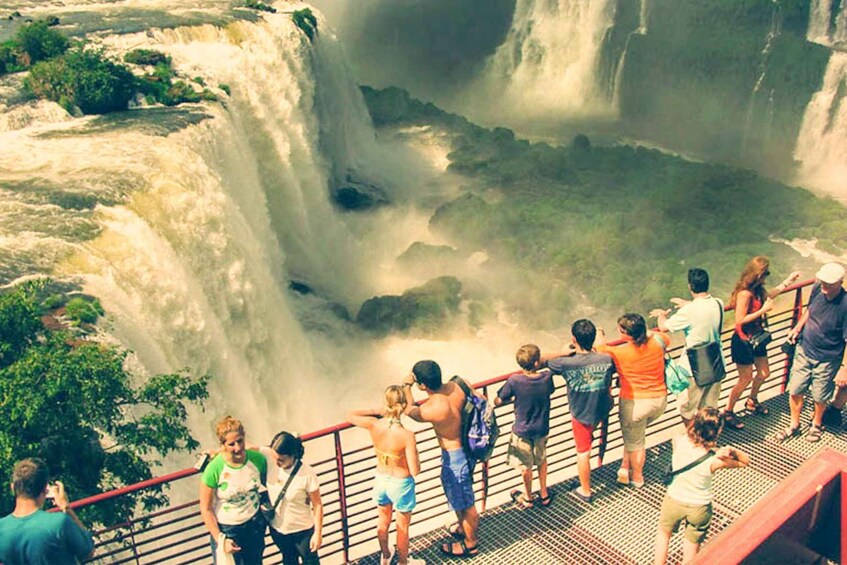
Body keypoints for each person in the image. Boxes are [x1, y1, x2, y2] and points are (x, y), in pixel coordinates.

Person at [402, 360, 481, 558]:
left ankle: (470, 544)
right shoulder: (460, 384)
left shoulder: (431, 408)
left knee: (465, 503)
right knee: (462, 497)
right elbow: (480, 401)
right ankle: (464, 530)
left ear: (422, 385)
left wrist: (406, 385)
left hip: (454, 458)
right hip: (470, 447)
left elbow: (408, 409)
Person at [653, 407, 749, 564]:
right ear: (716, 432)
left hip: (674, 500)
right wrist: (730, 449)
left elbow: (681, 437)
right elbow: (745, 462)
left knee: (664, 534)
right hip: (699, 507)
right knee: (692, 544)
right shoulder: (714, 461)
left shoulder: (679, 441)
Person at [347, 386, 423, 565]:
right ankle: (403, 562)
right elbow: (414, 471)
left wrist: (375, 411)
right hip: (401, 483)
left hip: (381, 480)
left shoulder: (374, 425)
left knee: (383, 521)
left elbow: (349, 415)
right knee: (402, 528)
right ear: (403, 406)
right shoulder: (407, 435)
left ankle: (386, 555)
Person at [722, 256, 799, 429]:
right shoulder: (744, 294)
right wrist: (763, 310)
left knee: (764, 373)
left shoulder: (758, 290)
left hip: (757, 339)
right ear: (757, 275)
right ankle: (728, 411)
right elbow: (740, 320)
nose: (766, 278)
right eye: (765, 274)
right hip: (743, 341)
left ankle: (752, 400)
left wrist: (788, 281)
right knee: (745, 378)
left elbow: (771, 295)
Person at [545, 320, 614, 503]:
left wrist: (563, 351)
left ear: (573, 339)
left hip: (581, 414)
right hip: (602, 408)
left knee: (583, 453)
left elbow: (537, 359)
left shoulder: (566, 363)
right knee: (590, 443)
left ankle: (585, 490)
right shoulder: (606, 358)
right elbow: (601, 353)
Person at [597, 313, 668, 488]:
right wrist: (645, 332)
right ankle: (624, 466)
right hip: (659, 401)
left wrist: (600, 332)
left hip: (635, 404)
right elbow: (663, 336)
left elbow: (599, 348)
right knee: (634, 436)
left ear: (627, 335)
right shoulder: (659, 342)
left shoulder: (620, 352)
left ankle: (637, 478)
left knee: (636, 442)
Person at [780, 263, 847, 442]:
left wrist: (844, 368)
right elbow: (810, 310)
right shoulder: (818, 287)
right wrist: (797, 328)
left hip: (828, 358)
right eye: (822, 280)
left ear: (840, 282)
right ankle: (794, 424)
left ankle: (816, 424)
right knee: (795, 388)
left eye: (829, 283)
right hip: (805, 348)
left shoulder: (845, 304)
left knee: (820, 395)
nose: (824, 284)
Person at [652, 268, 725, 426]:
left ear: (690, 286)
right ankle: (708, 439)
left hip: (694, 367)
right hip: (715, 362)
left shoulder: (688, 311)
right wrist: (688, 304)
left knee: (687, 408)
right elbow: (702, 310)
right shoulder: (718, 303)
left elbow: (664, 327)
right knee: (710, 407)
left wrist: (661, 315)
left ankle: (694, 440)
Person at [199, 415, 268, 565]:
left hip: (255, 524)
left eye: (240, 441)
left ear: (245, 438)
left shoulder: (258, 460)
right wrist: (220, 539)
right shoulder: (214, 469)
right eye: (231, 444)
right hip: (228, 530)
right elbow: (206, 509)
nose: (237, 448)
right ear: (223, 445)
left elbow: (272, 483)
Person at [494, 344, 556, 509]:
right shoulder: (547, 377)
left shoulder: (515, 380)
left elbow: (498, 400)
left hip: (522, 430)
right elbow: (549, 391)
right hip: (542, 428)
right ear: (537, 363)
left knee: (525, 466)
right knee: (542, 460)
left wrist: (512, 400)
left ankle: (528, 497)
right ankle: (544, 494)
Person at [0, 458, 95, 564]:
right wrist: (66, 507)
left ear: (13, 488)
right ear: (45, 489)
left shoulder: (2, 528)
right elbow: (88, 552)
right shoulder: (59, 522)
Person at [259, 432, 324, 564]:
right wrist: (217, 452)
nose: (276, 463)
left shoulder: (307, 474)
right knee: (288, 560)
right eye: (274, 458)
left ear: (293, 455)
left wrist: (318, 533)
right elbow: (245, 447)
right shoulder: (270, 457)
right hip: (279, 531)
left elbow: (317, 505)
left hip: (303, 532)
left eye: (281, 460)